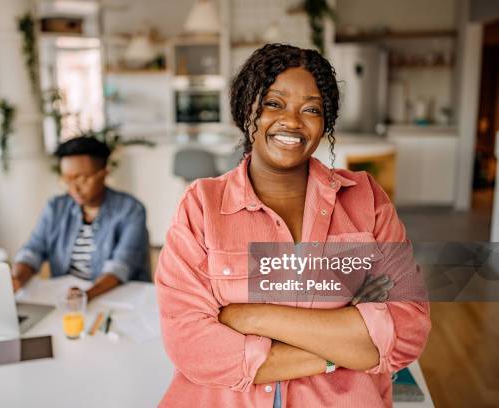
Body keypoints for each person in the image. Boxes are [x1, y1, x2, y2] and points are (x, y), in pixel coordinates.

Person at [155, 44, 431, 407]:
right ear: (246, 109)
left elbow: (407, 332)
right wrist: (343, 350)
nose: (293, 121)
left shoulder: (366, 200)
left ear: (325, 122)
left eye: (312, 109)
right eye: (274, 103)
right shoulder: (202, 206)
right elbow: (192, 346)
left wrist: (253, 316)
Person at [12, 136, 149, 301]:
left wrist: (86, 295)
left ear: (104, 174)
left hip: (114, 296)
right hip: (66, 296)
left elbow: (120, 267)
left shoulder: (131, 210)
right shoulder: (56, 207)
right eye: (67, 179)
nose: (74, 188)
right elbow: (32, 251)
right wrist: (17, 279)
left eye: (82, 179)